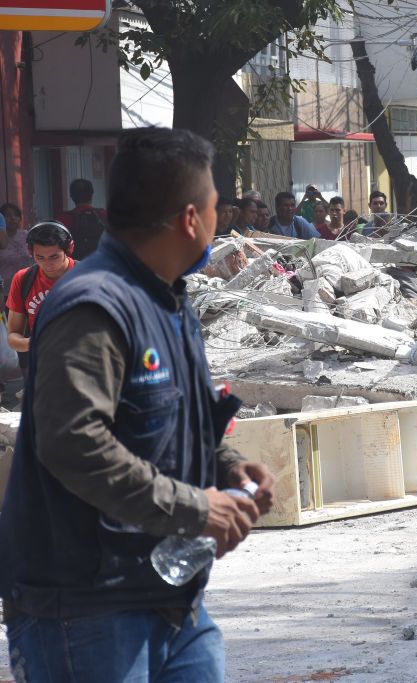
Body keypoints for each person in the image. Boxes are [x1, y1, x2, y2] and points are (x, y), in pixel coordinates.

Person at [0, 127, 275, 680]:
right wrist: (197, 509)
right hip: (86, 608)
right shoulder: (94, 307)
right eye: (218, 206)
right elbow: (73, 442)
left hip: (172, 597)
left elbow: (173, 417)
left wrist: (226, 469)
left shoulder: (169, 300)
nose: (223, 219)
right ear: (192, 219)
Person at [5, 222, 78, 373]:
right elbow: (13, 337)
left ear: (69, 249)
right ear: (31, 252)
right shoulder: (23, 279)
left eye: (54, 257)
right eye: (40, 257)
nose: (47, 264)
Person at [57, 178, 108, 259]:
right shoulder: (104, 215)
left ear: (71, 196)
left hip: (77, 267)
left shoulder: (64, 219)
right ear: (92, 195)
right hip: (102, 264)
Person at [0, 203, 31, 298]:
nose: (13, 218)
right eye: (8, 215)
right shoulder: (1, 240)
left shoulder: (28, 236)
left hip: (27, 288)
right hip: (5, 292)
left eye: (16, 215)